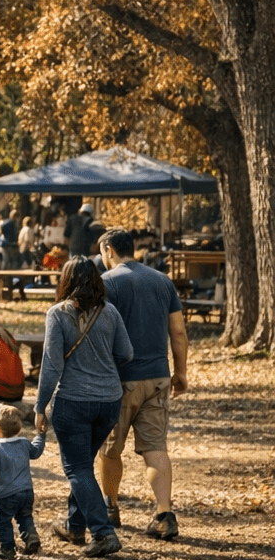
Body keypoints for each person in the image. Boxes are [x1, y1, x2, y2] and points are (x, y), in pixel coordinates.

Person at [35, 257, 134, 557]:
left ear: (65, 281)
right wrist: (102, 367)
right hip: (109, 402)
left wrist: (40, 406)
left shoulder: (58, 314)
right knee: (84, 467)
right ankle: (74, 525)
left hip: (73, 403)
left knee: (77, 468)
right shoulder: (111, 312)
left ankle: (103, 534)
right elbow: (126, 353)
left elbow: (51, 366)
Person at [98, 227, 188, 540]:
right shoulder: (162, 280)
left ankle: (110, 506)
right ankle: (164, 513)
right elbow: (177, 331)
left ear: (109, 250)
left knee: (110, 449)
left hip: (120, 379)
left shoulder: (107, 283)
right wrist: (181, 371)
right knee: (155, 448)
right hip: (158, 376)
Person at [0, 404, 48, 559]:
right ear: (20, 427)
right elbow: (36, 452)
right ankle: (31, 537)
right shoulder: (24, 443)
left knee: (3, 521)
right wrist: (40, 437)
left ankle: (7, 549)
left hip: (6, 495)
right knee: (25, 517)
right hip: (27, 492)